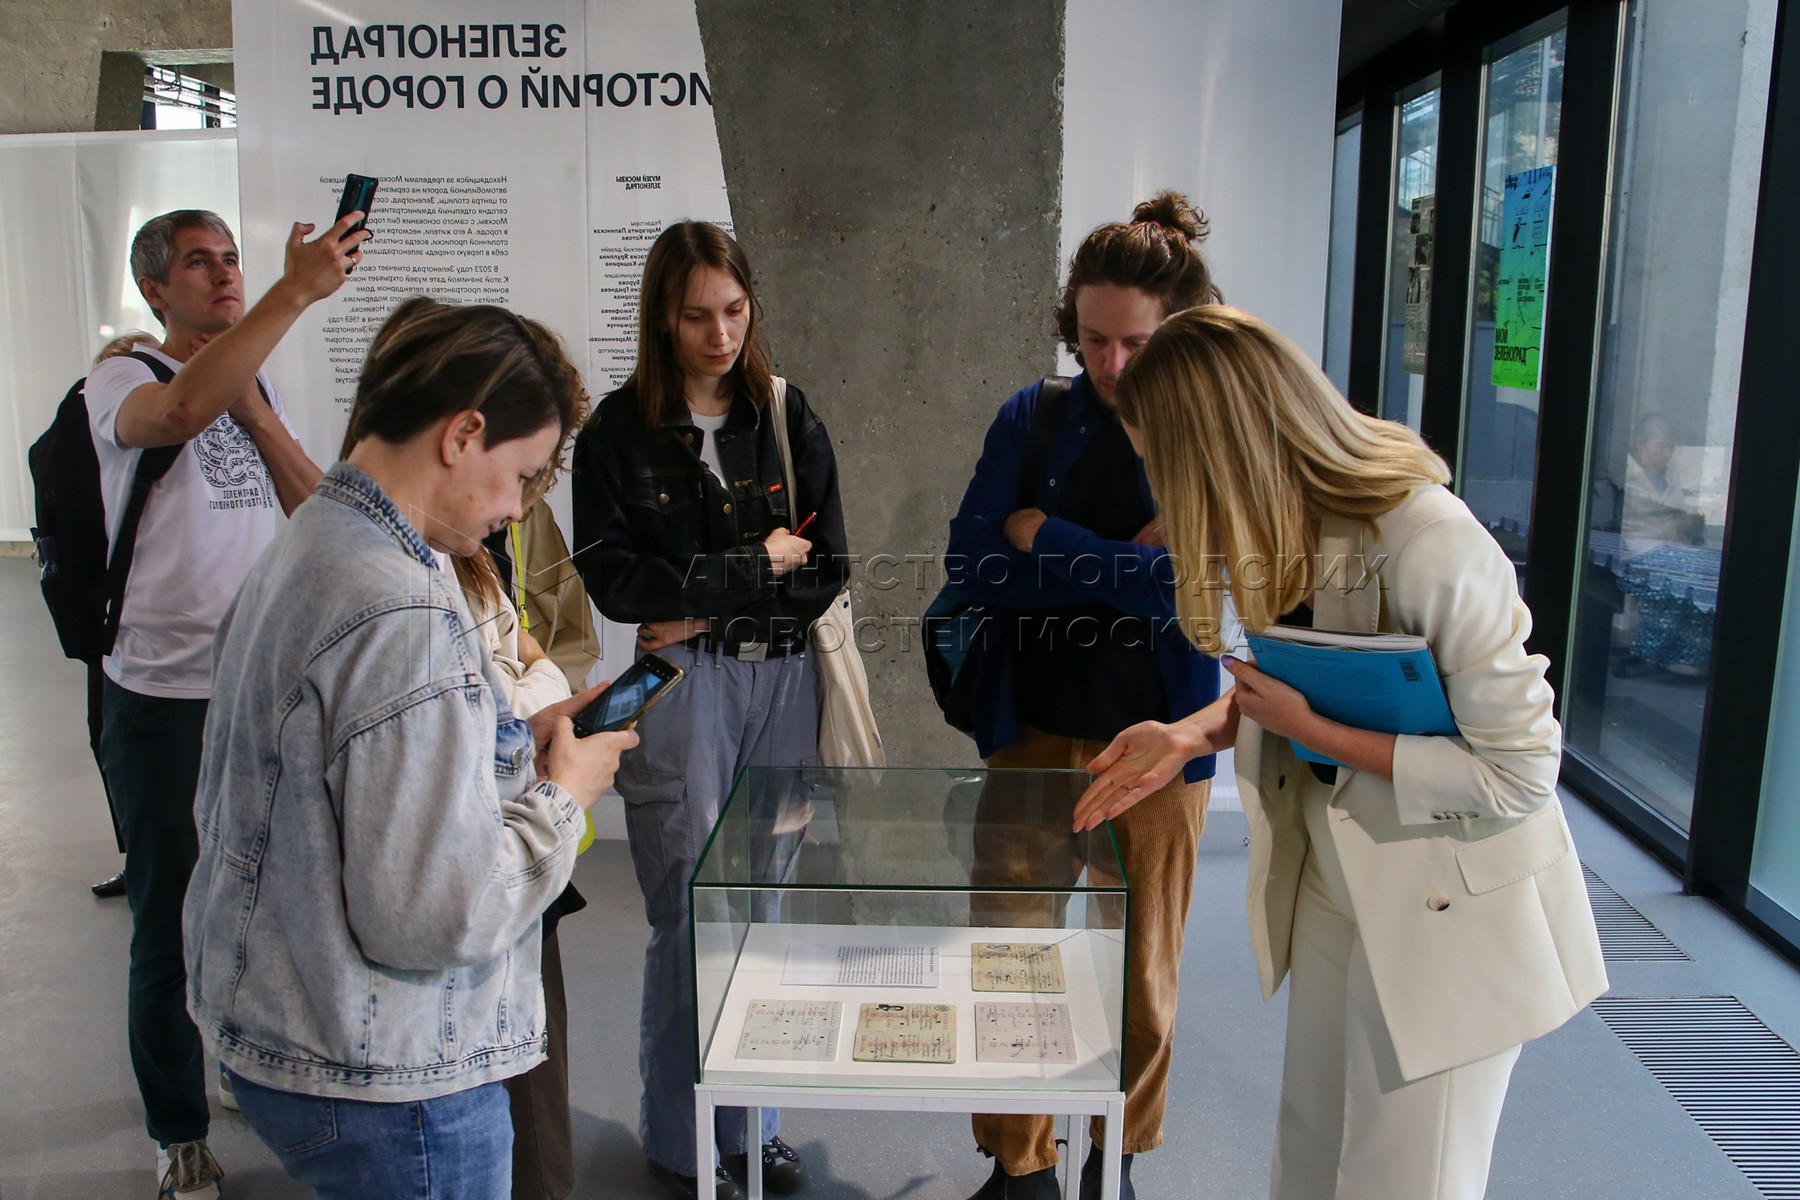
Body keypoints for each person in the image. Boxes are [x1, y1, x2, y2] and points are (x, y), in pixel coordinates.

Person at [1073, 306, 1609, 1200]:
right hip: (1336, 865)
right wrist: (1190, 733)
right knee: (1312, 1151)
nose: (1162, 490)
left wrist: (1312, 731)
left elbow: (1518, 772)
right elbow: (1311, 684)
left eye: (1163, 462)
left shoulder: (1427, 538)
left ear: (1220, 449)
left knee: (1403, 1177)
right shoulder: (1282, 523)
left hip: (1448, 900)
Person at [184, 297, 636, 1199]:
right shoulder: (400, 605)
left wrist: (513, 739)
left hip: (285, 1016)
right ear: (463, 433)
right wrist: (565, 797)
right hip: (392, 1072)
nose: (514, 507)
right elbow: (437, 917)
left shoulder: (312, 540)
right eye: (521, 474)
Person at [945, 191, 1222, 1200]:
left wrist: (1048, 539)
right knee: (1012, 955)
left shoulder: (1211, 436)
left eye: (1135, 343)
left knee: (1142, 973)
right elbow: (972, 563)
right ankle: (1021, 1165)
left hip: (1163, 746)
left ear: (1179, 329)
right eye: (1095, 339)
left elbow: (1186, 588)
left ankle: (1117, 1158)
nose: (1112, 364)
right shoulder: (1034, 416)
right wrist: (1123, 567)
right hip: (1031, 728)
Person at [83, 207, 364, 1197]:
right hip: (161, 701)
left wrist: (259, 407)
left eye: (232, 258)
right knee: (169, 923)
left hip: (259, 692)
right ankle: (177, 1127)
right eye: (199, 263)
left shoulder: (255, 383)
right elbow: (173, 417)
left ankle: (243, 1064)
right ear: (156, 288)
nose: (224, 273)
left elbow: (311, 508)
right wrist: (295, 292)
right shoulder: (119, 380)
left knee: (268, 906)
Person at [571, 221, 848, 1200]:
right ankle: (685, 1143)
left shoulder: (784, 411)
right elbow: (615, 584)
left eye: (734, 311)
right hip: (683, 688)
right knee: (690, 913)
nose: (721, 335)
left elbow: (827, 567)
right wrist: (751, 566)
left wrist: (697, 598)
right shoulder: (615, 431)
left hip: (781, 678)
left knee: (764, 911)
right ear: (662, 317)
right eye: (697, 316)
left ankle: (754, 1130)